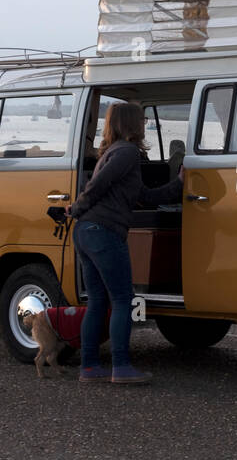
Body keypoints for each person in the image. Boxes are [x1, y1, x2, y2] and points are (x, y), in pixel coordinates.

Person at [67, 102, 183, 384]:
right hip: (103, 231)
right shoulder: (128, 152)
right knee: (123, 299)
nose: (145, 123)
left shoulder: (112, 152)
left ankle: (90, 367)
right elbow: (98, 186)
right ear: (131, 123)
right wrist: (76, 208)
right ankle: (121, 366)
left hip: (87, 232)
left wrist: (180, 183)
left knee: (97, 300)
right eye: (141, 119)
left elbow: (142, 195)